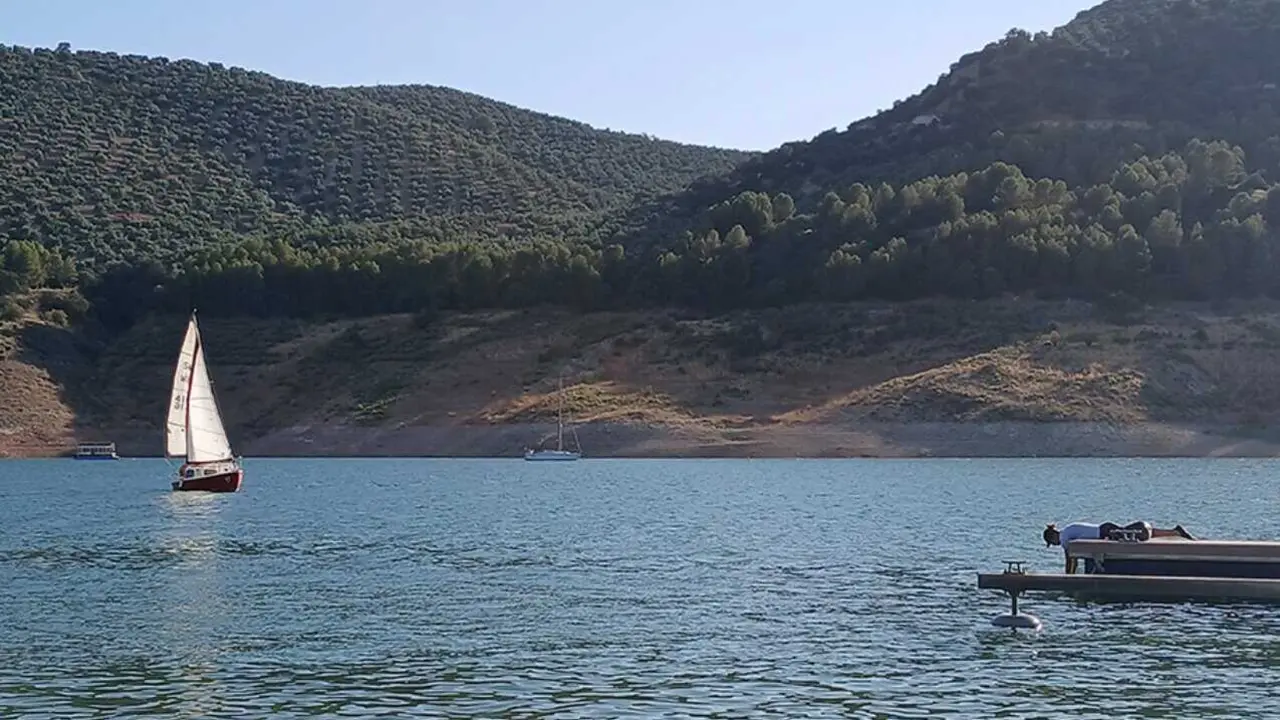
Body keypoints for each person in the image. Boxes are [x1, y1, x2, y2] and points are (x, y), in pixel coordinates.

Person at [1042, 521, 1196, 573]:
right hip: (1105, 528)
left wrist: (1068, 577)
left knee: (1135, 534)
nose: (1055, 545)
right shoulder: (1069, 529)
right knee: (1136, 533)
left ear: (1053, 536)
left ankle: (1164, 530)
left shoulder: (1063, 537)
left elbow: (1070, 559)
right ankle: (1174, 531)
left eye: (1052, 543)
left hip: (1105, 531)